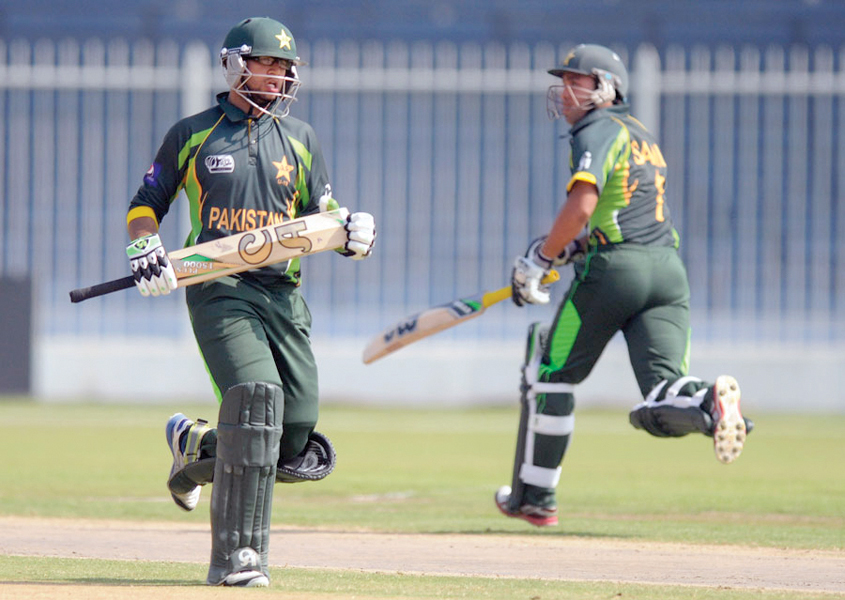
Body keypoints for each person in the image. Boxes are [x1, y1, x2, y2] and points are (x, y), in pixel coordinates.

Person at [125, 17, 376, 586]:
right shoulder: (193, 132)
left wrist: (353, 233)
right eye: (271, 63)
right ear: (237, 64)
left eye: (288, 66)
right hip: (219, 289)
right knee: (257, 401)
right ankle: (240, 556)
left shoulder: (304, 138)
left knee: (294, 437)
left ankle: (195, 445)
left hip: (283, 294)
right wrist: (144, 244)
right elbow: (147, 200)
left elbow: (324, 218)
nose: (283, 73)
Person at [495, 43, 752, 527]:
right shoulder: (643, 135)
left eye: (579, 80)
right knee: (660, 396)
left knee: (548, 371)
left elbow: (585, 205)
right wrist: (576, 245)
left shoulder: (596, 128)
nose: (567, 90)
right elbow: (623, 209)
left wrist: (541, 257)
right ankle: (707, 401)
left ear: (606, 88)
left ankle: (534, 498)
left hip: (617, 271)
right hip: (668, 272)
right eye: (565, 80)